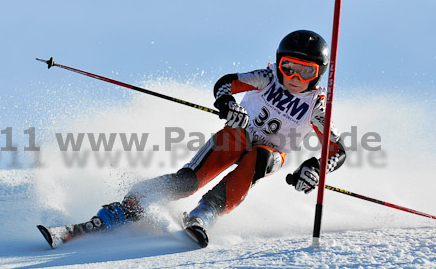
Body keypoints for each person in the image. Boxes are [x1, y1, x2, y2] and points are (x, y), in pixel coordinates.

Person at [38, 29, 347, 248]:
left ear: (318, 74)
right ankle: (122, 209)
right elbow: (227, 84)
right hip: (238, 134)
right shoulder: (266, 78)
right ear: (278, 63)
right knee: (190, 180)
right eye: (288, 68)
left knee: (262, 155)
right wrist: (229, 106)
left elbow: (337, 150)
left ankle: (205, 214)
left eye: (304, 72)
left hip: (270, 153)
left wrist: (314, 169)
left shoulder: (317, 107)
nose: (294, 78)